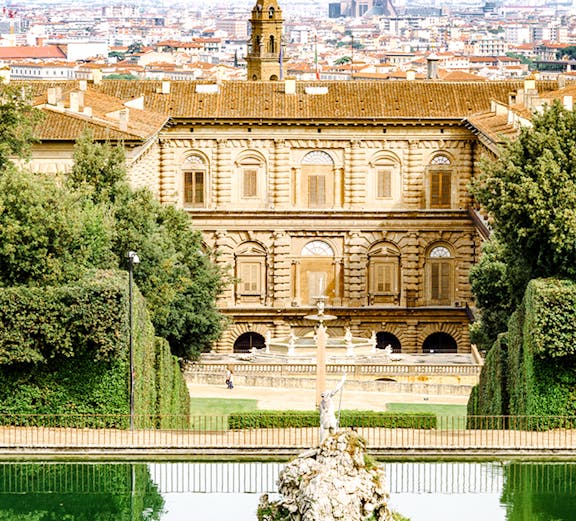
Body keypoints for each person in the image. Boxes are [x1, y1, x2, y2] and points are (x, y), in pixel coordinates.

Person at [319, 373, 346, 442]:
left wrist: (343, 380)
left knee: (330, 438)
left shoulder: (322, 403)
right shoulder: (325, 401)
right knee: (332, 437)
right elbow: (336, 389)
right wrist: (343, 380)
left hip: (328, 421)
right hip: (329, 421)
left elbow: (336, 389)